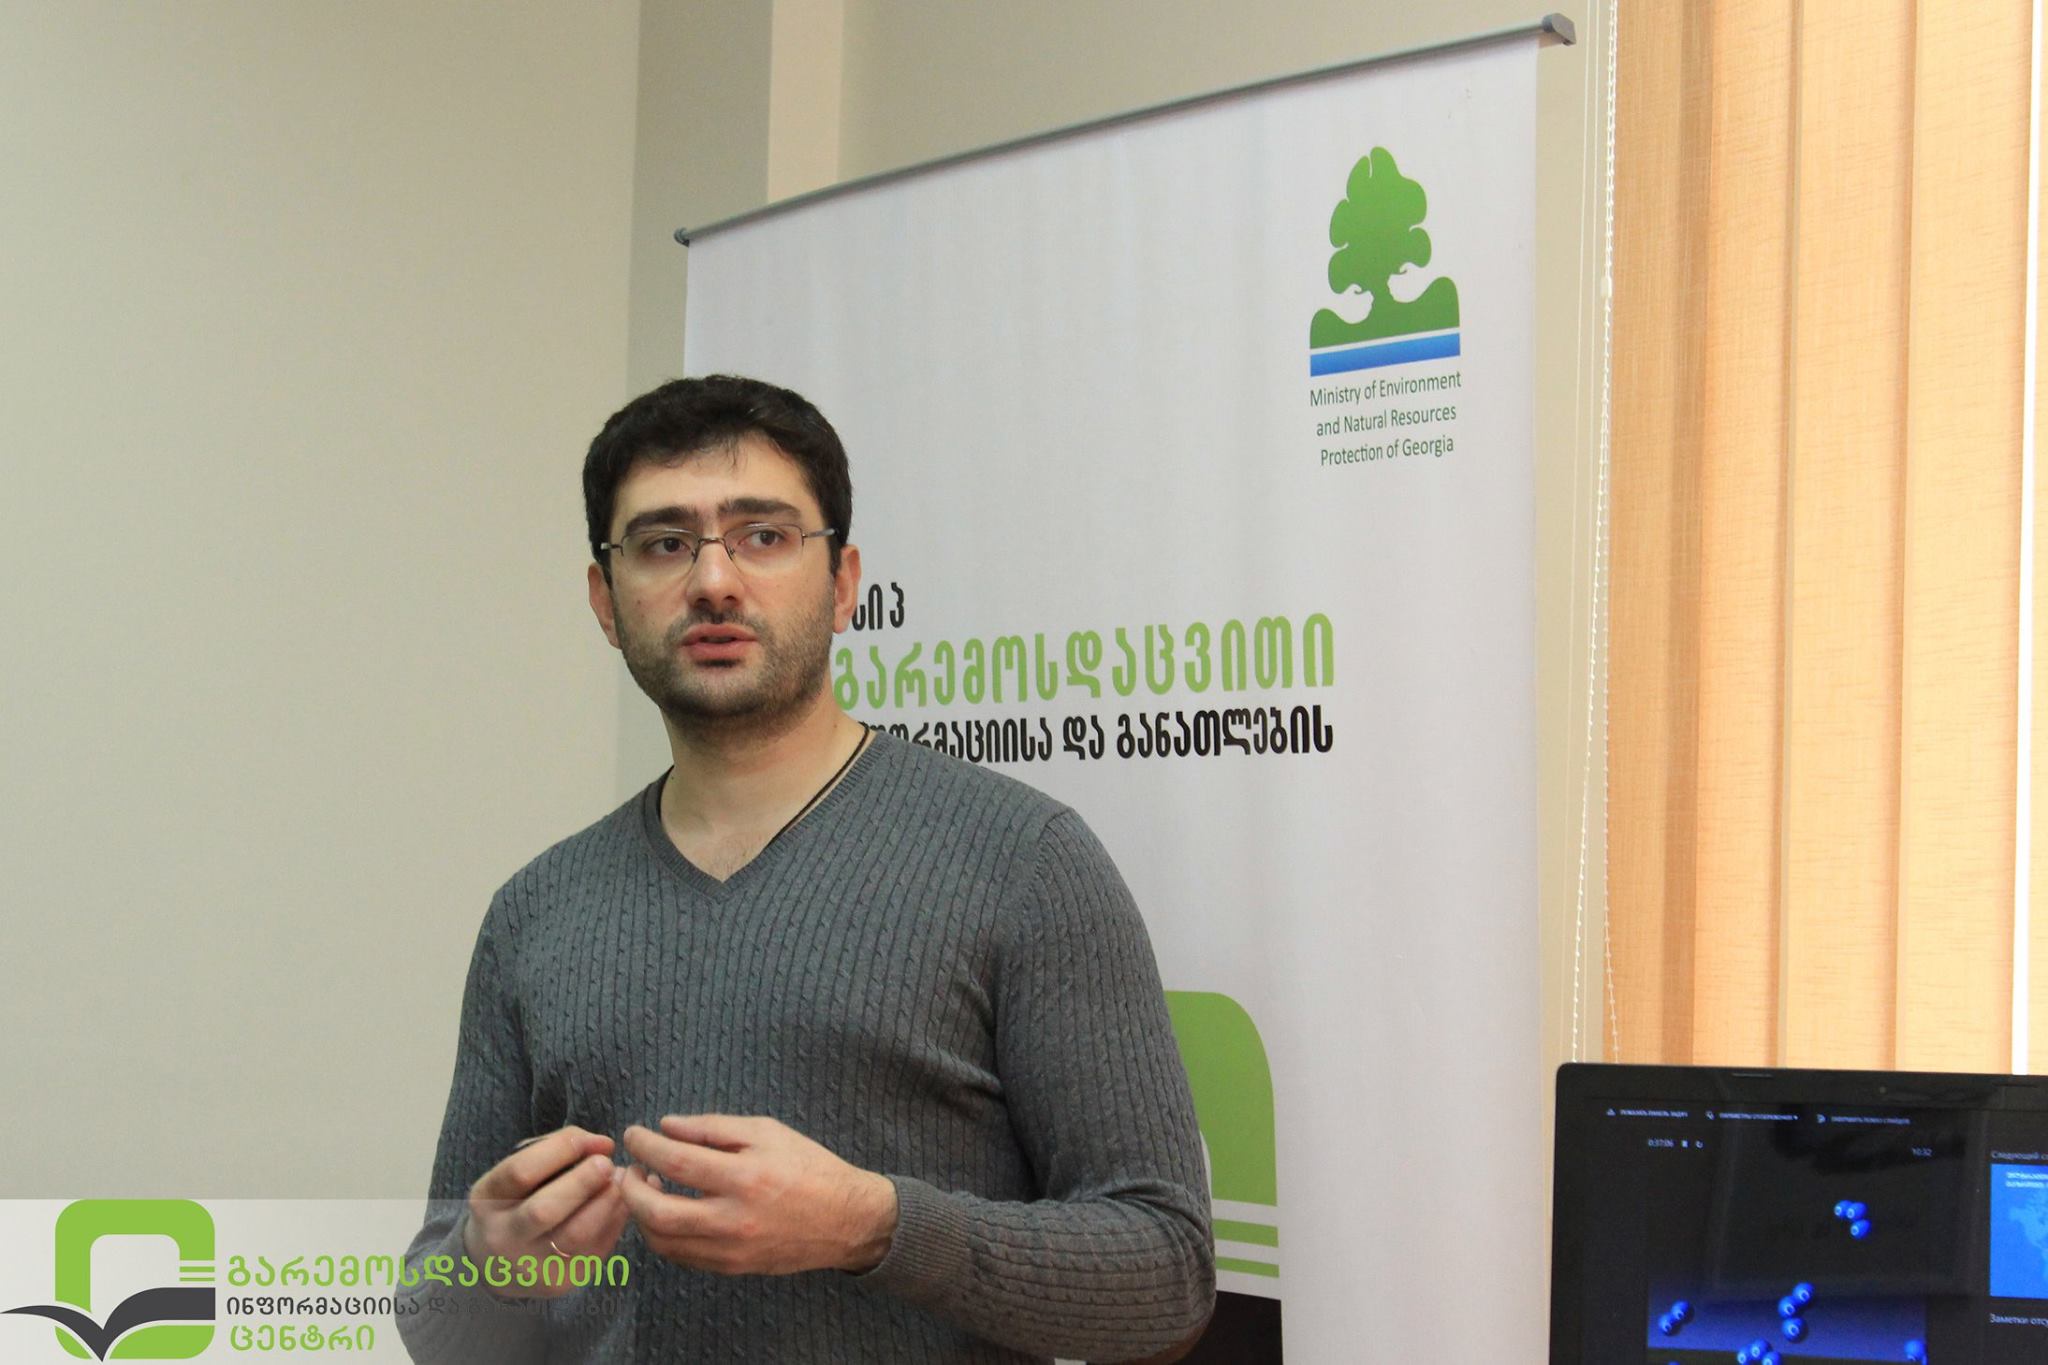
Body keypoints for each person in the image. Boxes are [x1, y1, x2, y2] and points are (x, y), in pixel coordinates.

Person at [396, 375, 1214, 1364]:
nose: (714, 580)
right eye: (663, 543)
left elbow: (1167, 1278)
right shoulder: (535, 911)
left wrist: (872, 1227)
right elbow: (438, 1328)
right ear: (605, 600)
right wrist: (488, 1266)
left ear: (842, 582)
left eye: (763, 535)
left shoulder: (1023, 861)